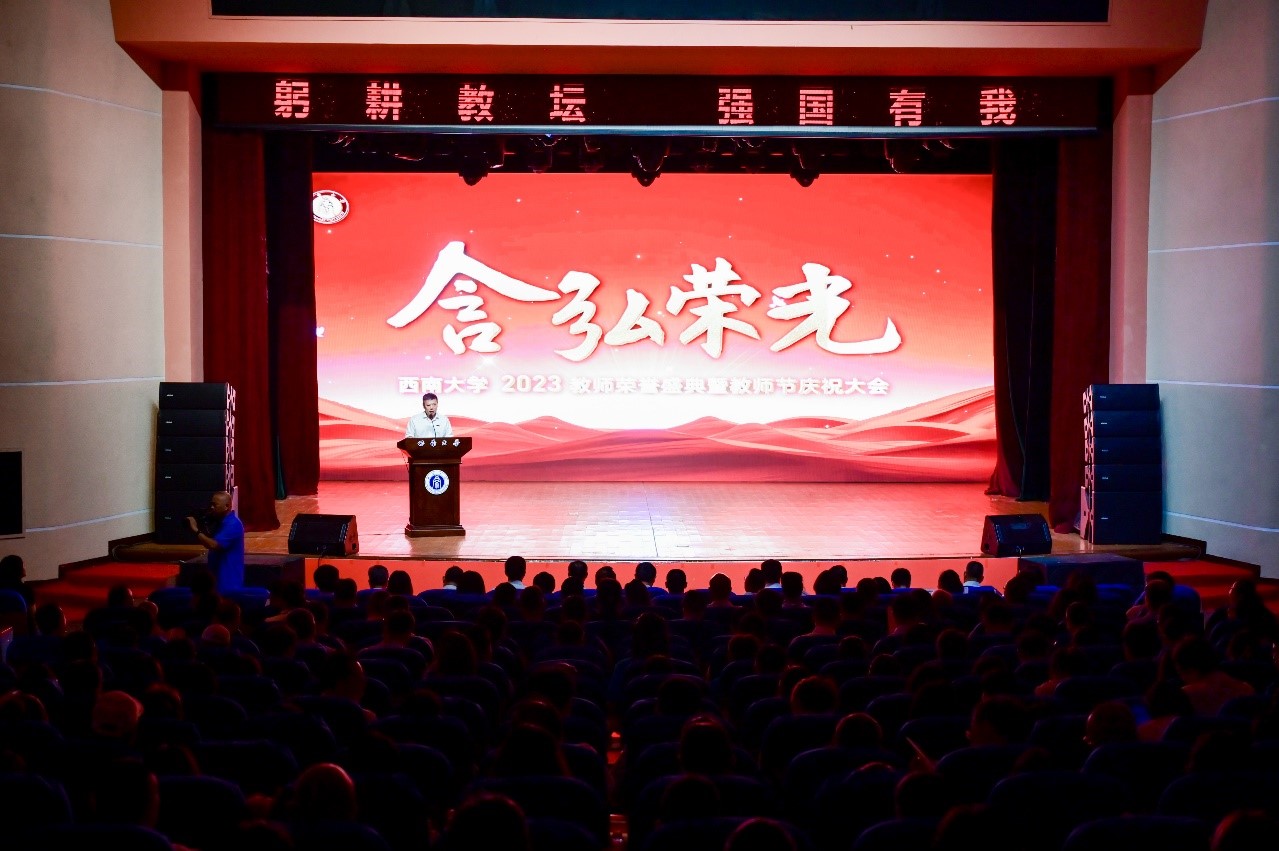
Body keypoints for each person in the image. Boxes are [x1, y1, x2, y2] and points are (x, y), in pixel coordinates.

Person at [187, 491, 244, 593]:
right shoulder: (222, 523)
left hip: (228, 583)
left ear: (227, 506)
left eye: (215, 505)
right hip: (218, 580)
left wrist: (196, 530)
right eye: (211, 504)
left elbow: (213, 545)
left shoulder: (233, 524)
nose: (212, 507)